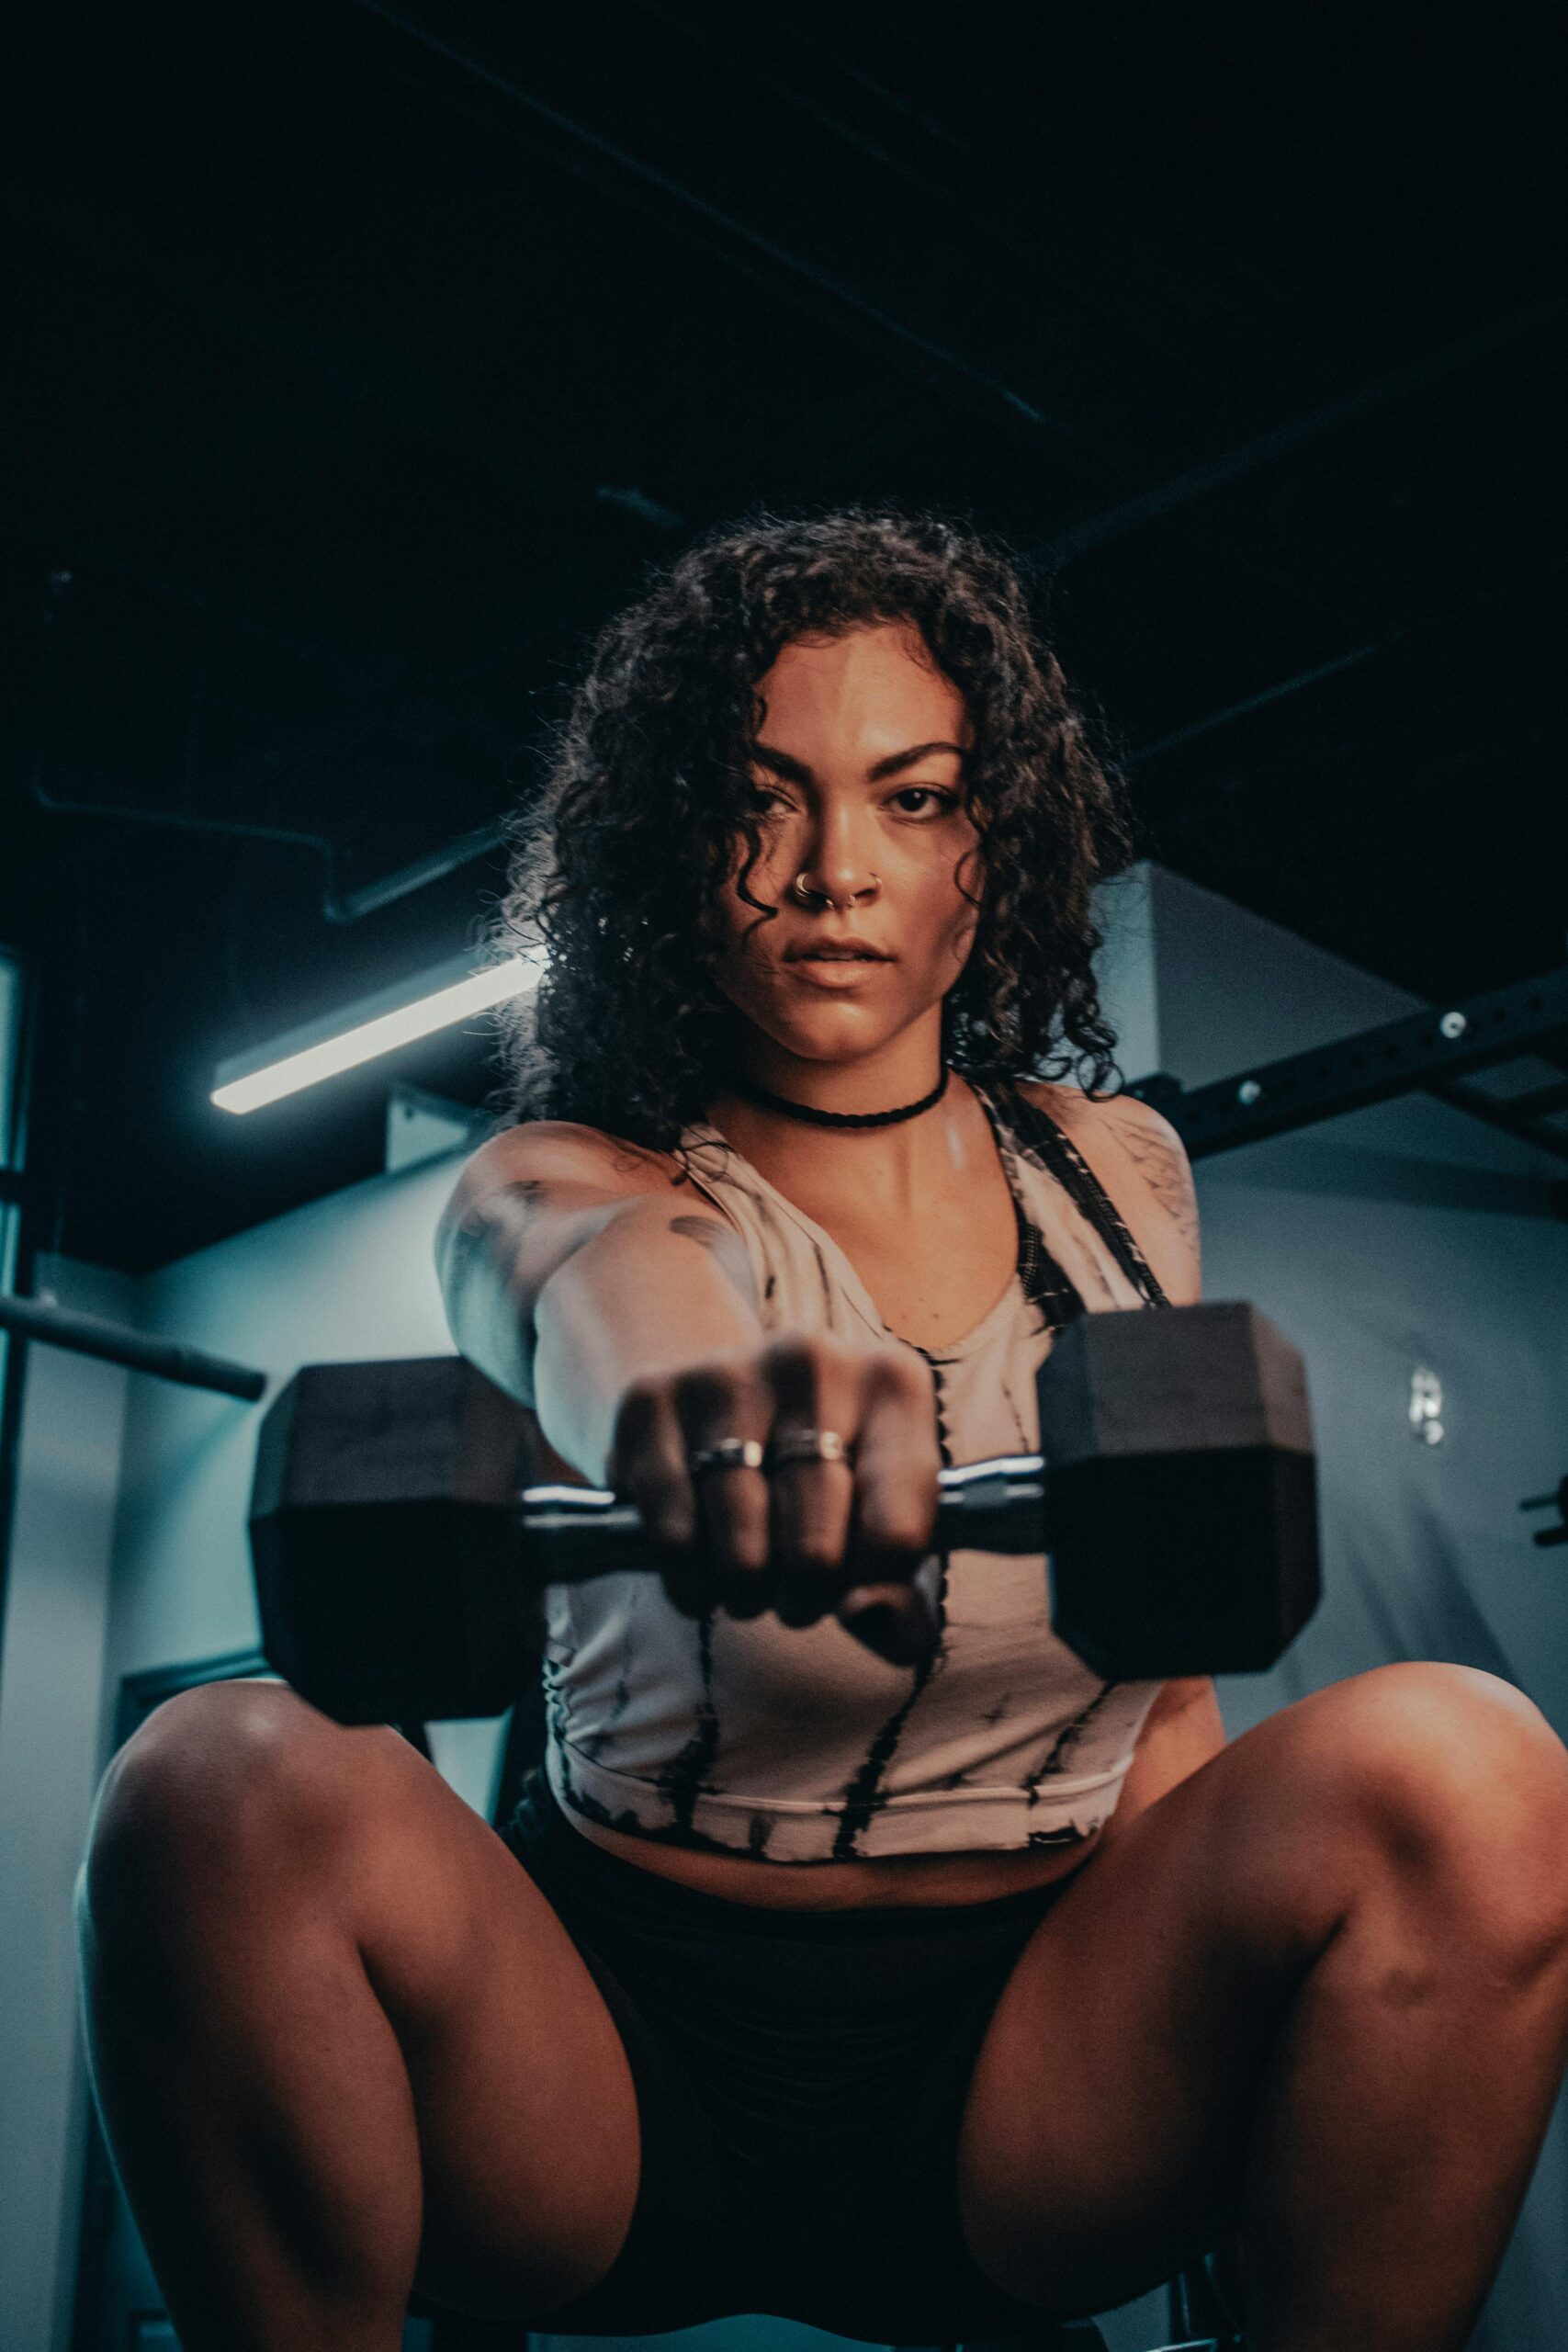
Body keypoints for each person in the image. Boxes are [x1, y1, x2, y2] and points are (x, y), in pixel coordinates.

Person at [78, 512, 1568, 2352]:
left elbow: (1164, 1662)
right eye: (757, 798)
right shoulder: (565, 1177)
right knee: (204, 1777)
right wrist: (704, 1400)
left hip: (1034, 2072)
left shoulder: (1117, 1178)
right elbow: (595, 1280)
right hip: (606, 2061)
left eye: (912, 796)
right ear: (666, 853)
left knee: (1472, 1767)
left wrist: (1218, 2011)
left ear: (988, 851)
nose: (830, 870)